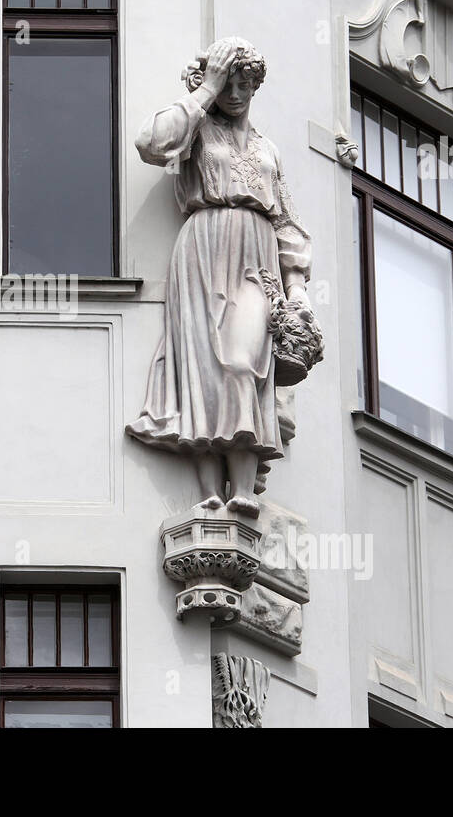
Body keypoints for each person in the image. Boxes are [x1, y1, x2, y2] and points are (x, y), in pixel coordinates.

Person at [127, 37, 314, 515]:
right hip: (202, 247)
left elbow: (287, 221)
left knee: (241, 361)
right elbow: (151, 142)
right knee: (202, 367)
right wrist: (203, 91)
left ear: (255, 86)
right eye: (226, 84)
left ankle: (245, 489)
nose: (234, 93)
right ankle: (211, 488)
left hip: (256, 255)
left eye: (243, 85)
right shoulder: (197, 130)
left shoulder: (268, 149)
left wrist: (297, 291)